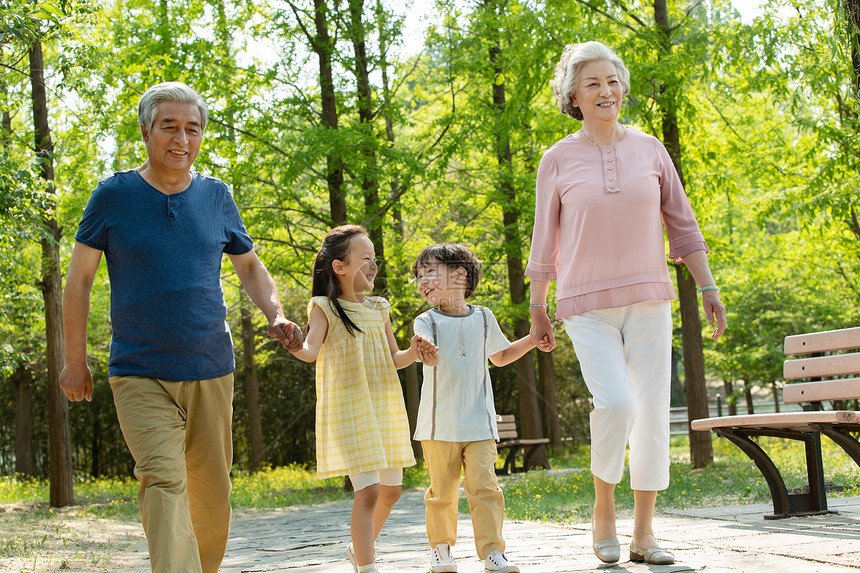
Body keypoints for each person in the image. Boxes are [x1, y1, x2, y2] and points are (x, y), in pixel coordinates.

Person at [58, 81, 303, 573]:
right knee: (164, 483)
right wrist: (74, 360)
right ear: (146, 130)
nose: (181, 139)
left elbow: (250, 268)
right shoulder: (113, 195)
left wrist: (275, 313)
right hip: (139, 369)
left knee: (212, 499)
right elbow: (80, 280)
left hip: (211, 364)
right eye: (169, 126)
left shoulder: (216, 196)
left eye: (192, 129)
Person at [526, 41, 727, 566]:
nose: (605, 91)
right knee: (616, 403)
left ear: (623, 87)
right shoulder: (558, 158)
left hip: (649, 298)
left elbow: (682, 224)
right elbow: (543, 241)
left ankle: (644, 534)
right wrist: (538, 306)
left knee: (652, 415)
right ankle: (603, 510)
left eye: (612, 81)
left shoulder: (651, 149)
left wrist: (707, 287)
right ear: (573, 95)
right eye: (592, 83)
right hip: (583, 303)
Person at [288, 225, 432, 573]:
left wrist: (413, 351)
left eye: (374, 259)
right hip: (349, 409)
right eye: (365, 258)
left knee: (391, 491)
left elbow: (393, 358)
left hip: (383, 408)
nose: (373, 265)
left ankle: (358, 549)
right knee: (367, 492)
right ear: (339, 267)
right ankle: (368, 566)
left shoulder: (379, 307)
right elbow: (310, 352)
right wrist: (293, 343)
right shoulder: (324, 307)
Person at [412, 243, 551, 573]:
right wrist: (424, 352)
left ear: (460, 274)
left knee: (485, 489)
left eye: (430, 271)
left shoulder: (485, 317)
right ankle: (441, 550)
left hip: (480, 425)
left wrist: (532, 339)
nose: (422, 281)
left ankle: (492, 552)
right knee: (442, 493)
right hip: (438, 426)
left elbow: (500, 357)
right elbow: (420, 348)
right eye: (419, 276)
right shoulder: (425, 321)